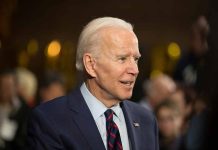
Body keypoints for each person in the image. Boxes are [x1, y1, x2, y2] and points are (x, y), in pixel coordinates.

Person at [27, 17, 159, 150]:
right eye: (122, 59)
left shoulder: (146, 120)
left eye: (135, 59)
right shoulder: (50, 120)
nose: (135, 70)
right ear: (91, 64)